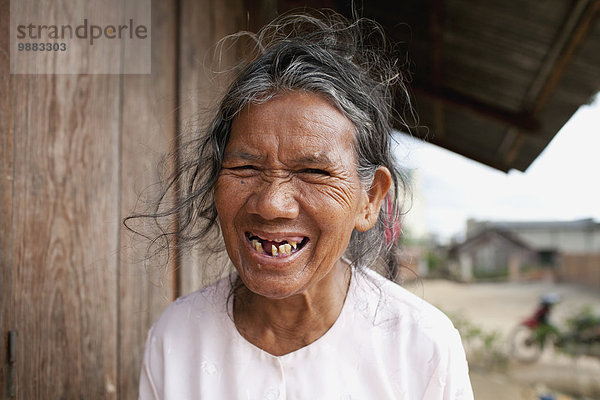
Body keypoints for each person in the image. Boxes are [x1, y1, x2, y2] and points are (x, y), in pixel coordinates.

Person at [134, 10, 474, 400]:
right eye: (245, 166)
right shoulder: (176, 339)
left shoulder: (422, 347)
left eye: (313, 171)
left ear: (370, 199)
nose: (273, 204)